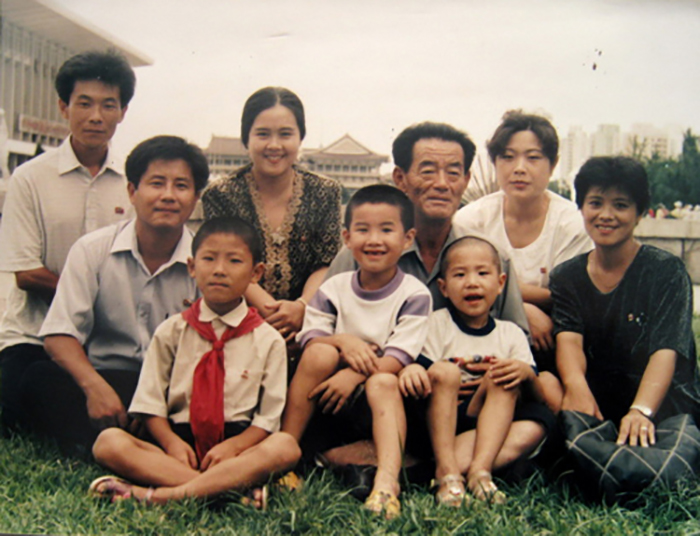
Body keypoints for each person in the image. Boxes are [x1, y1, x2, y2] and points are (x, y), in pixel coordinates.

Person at [325, 122, 546, 464]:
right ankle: (431, 460)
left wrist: (493, 374)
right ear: (400, 179)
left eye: (453, 172)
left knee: (533, 425)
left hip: (468, 405)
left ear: (466, 180)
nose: (442, 184)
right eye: (428, 171)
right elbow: (324, 328)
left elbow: (514, 337)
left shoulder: (488, 256)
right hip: (384, 393)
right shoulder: (366, 250)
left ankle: (404, 461)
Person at [89, 217, 299, 507]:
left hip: (238, 449)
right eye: (208, 259)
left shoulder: (268, 340)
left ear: (256, 273)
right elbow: (150, 403)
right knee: (109, 442)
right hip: (178, 445)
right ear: (191, 267)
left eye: (234, 261)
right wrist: (171, 443)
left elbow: (267, 419)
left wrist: (234, 447)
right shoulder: (171, 331)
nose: (219, 270)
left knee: (285, 447)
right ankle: (229, 493)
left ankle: (159, 496)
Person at [22, 135, 208, 456]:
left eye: (181, 186)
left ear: (195, 198)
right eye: (156, 183)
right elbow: (59, 335)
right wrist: (94, 388)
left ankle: (119, 447)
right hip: (107, 379)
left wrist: (156, 403)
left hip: (174, 387)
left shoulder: (205, 262)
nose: (168, 196)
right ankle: (142, 447)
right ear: (132, 192)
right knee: (37, 379)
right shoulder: (93, 249)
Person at [0, 50, 136, 431]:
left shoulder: (134, 181)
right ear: (63, 106)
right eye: (84, 103)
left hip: (110, 339)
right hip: (35, 335)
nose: (96, 116)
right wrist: (92, 302)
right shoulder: (29, 179)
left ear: (123, 111)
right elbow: (26, 274)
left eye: (109, 105)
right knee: (23, 404)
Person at [283, 185, 432, 519]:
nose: (374, 240)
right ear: (347, 238)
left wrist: (354, 373)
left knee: (383, 383)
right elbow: (311, 337)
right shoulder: (334, 287)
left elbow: (397, 358)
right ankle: (286, 453)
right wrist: (343, 343)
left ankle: (386, 483)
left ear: (407, 238)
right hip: (331, 397)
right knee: (319, 355)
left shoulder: (414, 294)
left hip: (383, 400)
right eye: (363, 230)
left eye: (386, 230)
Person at [552, 156, 700, 448]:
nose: (606, 215)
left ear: (640, 213)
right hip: (602, 395)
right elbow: (569, 341)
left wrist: (640, 411)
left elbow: (665, 350)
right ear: (581, 208)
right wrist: (576, 386)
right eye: (595, 203)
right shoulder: (566, 275)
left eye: (620, 205)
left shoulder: (665, 271)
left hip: (663, 400)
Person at [399, 237, 553, 505]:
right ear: (443, 288)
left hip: (491, 420)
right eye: (460, 274)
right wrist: (411, 369)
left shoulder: (510, 333)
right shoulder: (437, 324)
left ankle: (480, 472)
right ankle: (447, 471)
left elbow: (538, 397)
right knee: (445, 372)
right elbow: (424, 373)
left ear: (501, 283)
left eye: (483, 273)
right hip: (442, 420)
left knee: (525, 410)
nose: (472, 282)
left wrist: (525, 374)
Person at [202, 87, 342, 346]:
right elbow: (226, 260)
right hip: (239, 321)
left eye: (286, 134)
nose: (274, 145)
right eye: (263, 134)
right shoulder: (221, 194)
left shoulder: (325, 191)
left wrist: (301, 307)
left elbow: (326, 261)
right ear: (246, 139)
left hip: (310, 321)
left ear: (300, 138)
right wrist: (273, 312)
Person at [454, 111, 591, 368]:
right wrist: (523, 309)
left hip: (553, 339)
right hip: (480, 337)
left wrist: (501, 291)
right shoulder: (471, 220)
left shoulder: (572, 224)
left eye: (533, 157)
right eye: (507, 157)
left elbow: (567, 297)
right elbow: (459, 286)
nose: (519, 168)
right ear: (495, 163)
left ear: (552, 164)